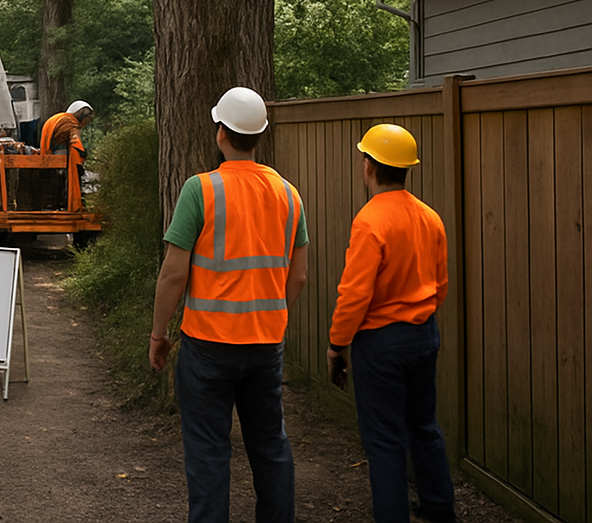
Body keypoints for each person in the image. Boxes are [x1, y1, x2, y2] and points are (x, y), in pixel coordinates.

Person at [149, 87, 309, 523]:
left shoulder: (200, 190)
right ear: (258, 136)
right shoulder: (289, 194)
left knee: (208, 453)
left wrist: (159, 333)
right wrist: (269, 312)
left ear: (221, 132)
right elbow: (298, 277)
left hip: (208, 347)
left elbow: (174, 274)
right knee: (270, 447)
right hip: (265, 346)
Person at [327, 124, 456, 523]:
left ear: (368, 165)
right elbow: (440, 283)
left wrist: (337, 344)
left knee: (384, 441)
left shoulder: (370, 222)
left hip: (380, 343)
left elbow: (355, 294)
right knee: (424, 426)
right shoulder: (429, 217)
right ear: (406, 169)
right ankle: (439, 510)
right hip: (423, 333)